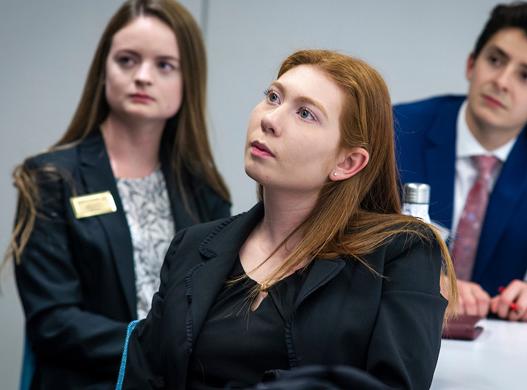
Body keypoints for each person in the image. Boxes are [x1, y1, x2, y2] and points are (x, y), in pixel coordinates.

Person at [117, 49, 457, 390]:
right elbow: (144, 372)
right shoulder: (192, 246)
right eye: (273, 97)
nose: (270, 119)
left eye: (305, 113)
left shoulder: (402, 252)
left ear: (348, 163)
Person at [7, 0, 230, 388]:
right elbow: (53, 323)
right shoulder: (50, 179)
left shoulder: (204, 191)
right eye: (127, 60)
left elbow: (212, 314)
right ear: (103, 71)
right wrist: (150, 344)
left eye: (164, 65)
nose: (142, 76)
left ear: (187, 80)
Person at [394, 2, 527, 322]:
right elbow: (353, 233)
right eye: (495, 60)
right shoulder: (399, 128)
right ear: (471, 65)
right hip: (396, 319)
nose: (502, 81)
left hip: (491, 335)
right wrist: (422, 281)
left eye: (526, 76)